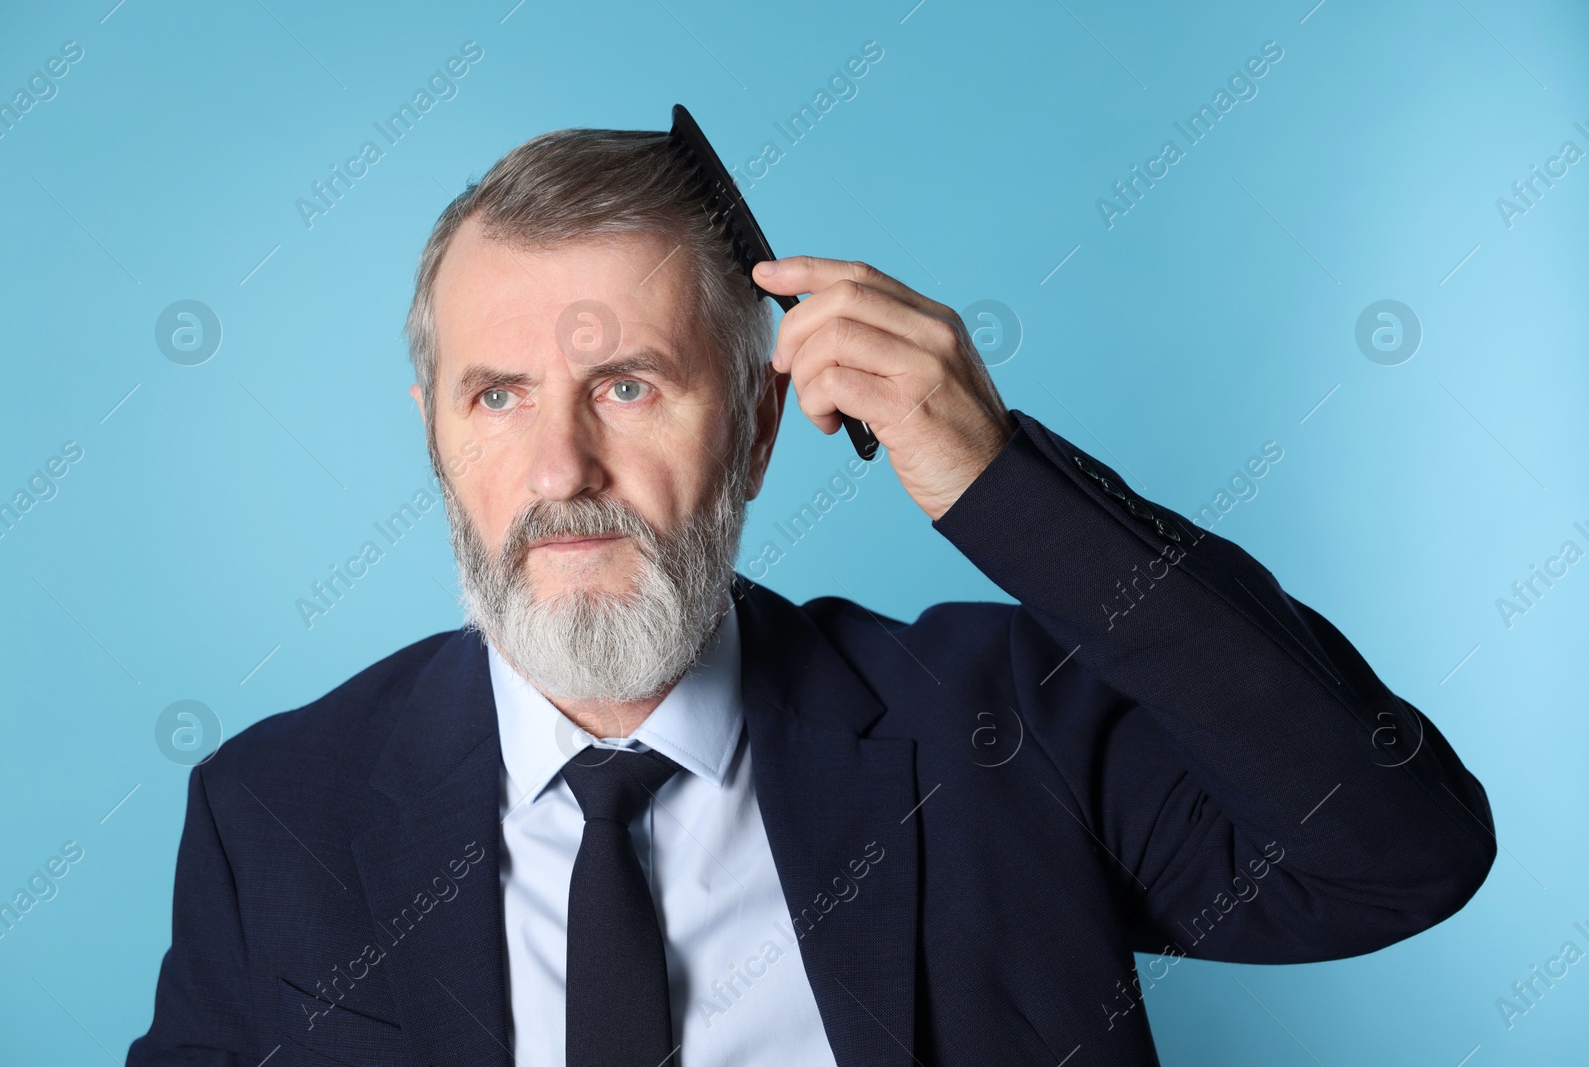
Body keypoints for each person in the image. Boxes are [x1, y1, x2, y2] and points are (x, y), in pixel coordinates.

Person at [127, 128, 1495, 1067]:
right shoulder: (275, 817)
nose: (563, 468)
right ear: (435, 431)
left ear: (762, 428)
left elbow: (1395, 851)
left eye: (630, 385)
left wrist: (1006, 485)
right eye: (499, 395)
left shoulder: (1003, 736)